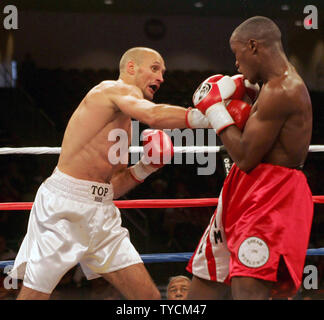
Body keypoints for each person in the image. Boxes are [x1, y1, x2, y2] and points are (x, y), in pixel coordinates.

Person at [9, 47, 212, 300]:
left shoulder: (124, 125)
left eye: (163, 72)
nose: (161, 77)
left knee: (148, 297)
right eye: (154, 68)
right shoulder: (112, 90)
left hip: (102, 212)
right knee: (35, 296)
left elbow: (112, 187)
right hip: (63, 209)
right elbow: (153, 115)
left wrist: (145, 167)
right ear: (130, 68)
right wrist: (207, 117)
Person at [186, 16, 314, 300]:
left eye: (237, 54)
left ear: (253, 46)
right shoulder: (267, 88)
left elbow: (244, 156)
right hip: (241, 190)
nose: (236, 64)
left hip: (271, 197)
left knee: (248, 290)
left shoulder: (283, 90)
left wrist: (215, 110)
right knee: (205, 280)